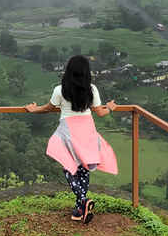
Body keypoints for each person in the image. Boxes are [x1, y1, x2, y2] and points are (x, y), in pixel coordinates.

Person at [26, 55, 118, 223]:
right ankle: (79, 210)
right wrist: (110, 108)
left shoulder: (60, 89)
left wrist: (33, 109)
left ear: (68, 70)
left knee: (69, 168)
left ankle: (82, 200)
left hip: (69, 130)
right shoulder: (92, 89)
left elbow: (48, 108)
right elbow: (101, 112)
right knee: (84, 167)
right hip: (87, 130)